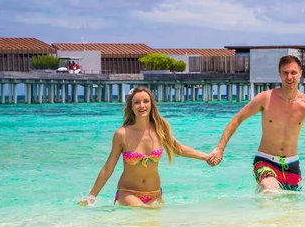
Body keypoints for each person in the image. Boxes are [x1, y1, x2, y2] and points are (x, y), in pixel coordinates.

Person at [207, 55, 305, 192]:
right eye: (285, 73)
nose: (289, 77)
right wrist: (220, 148)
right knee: (270, 190)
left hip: (292, 166)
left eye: (293, 73)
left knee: (289, 209)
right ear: (279, 75)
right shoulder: (266, 98)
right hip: (265, 160)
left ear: (300, 74)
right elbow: (237, 119)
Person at [79, 86, 209, 207]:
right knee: (144, 211)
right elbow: (108, 168)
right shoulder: (122, 134)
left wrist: (207, 157)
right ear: (131, 107)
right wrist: (92, 196)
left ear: (151, 104)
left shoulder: (160, 129)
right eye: (137, 102)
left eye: (146, 101)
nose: (142, 106)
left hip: (155, 194)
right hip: (128, 193)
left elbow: (179, 149)